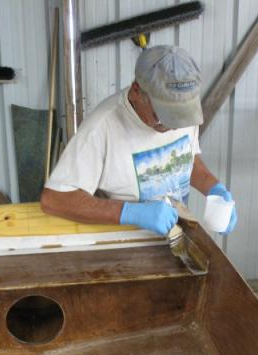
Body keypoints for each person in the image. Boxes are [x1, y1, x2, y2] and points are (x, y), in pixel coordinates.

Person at [40, 45, 237, 236]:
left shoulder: (184, 115)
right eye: (163, 116)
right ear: (136, 91)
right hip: (125, 245)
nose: (174, 126)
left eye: (180, 116)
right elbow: (54, 200)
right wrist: (129, 212)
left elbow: (183, 159)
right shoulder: (101, 129)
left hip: (174, 236)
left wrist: (214, 188)